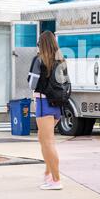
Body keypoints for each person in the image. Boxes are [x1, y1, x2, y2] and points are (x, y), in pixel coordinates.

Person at [34, 30, 66, 189]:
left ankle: (56, 179)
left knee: (48, 142)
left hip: (43, 105)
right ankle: (48, 174)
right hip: (57, 106)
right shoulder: (61, 61)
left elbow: (31, 84)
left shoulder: (39, 60)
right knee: (43, 140)